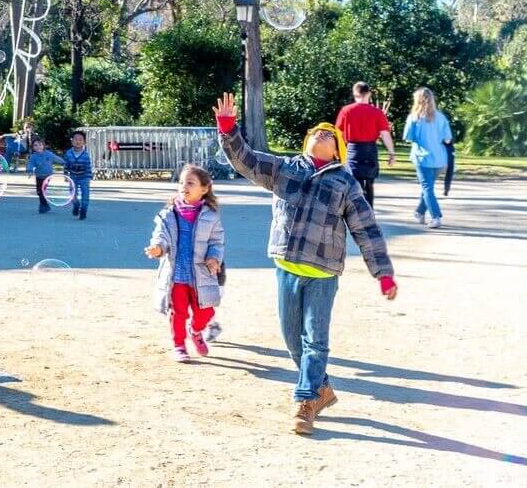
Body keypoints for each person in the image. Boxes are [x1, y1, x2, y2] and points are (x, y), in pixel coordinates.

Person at [214, 92, 396, 435]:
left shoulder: (345, 183)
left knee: (315, 340)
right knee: (292, 340)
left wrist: (382, 273)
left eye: (330, 133)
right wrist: (228, 129)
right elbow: (246, 161)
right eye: (316, 131)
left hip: (323, 273)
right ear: (307, 142)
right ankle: (321, 388)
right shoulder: (285, 169)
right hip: (287, 268)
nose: (322, 132)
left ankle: (306, 400)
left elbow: (366, 229)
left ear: (338, 151)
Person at [144, 165, 224, 362]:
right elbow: (160, 236)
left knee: (206, 311)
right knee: (178, 313)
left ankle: (195, 331)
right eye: (181, 182)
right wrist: (158, 248)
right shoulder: (168, 214)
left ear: (204, 188)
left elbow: (216, 242)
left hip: (201, 275)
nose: (184, 186)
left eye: (190, 183)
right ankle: (179, 345)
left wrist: (214, 258)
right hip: (177, 275)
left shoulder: (211, 216)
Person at [334, 82, 396, 206]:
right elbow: (385, 134)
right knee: (369, 184)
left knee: (353, 185)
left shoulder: (346, 111)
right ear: (369, 93)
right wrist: (391, 153)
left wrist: (336, 151)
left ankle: (354, 211)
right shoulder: (377, 112)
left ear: (354, 93)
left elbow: (337, 133)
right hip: (370, 150)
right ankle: (369, 211)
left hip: (353, 150)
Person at [402, 86, 453, 230]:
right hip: (439, 159)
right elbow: (448, 139)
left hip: (422, 158)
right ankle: (419, 212)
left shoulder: (414, 118)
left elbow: (408, 137)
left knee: (427, 188)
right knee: (428, 188)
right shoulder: (441, 117)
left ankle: (436, 217)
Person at [25, 137, 64, 214]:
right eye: (35, 145)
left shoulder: (48, 154)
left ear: (43, 145)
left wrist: (64, 162)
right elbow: (30, 164)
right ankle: (44, 205)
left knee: (42, 191)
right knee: (39, 192)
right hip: (39, 176)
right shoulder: (33, 156)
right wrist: (30, 170)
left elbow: (56, 158)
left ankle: (43, 206)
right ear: (33, 147)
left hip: (47, 176)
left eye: (40, 145)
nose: (38, 147)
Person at [64, 130, 93, 220]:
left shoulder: (85, 155)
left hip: (84, 177)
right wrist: (66, 175)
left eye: (80, 140)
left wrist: (89, 178)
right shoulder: (68, 153)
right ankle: (76, 205)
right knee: (73, 194)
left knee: (85, 194)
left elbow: (88, 167)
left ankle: (83, 210)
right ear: (72, 141)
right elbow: (66, 165)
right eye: (75, 139)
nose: (78, 141)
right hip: (73, 177)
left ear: (84, 142)